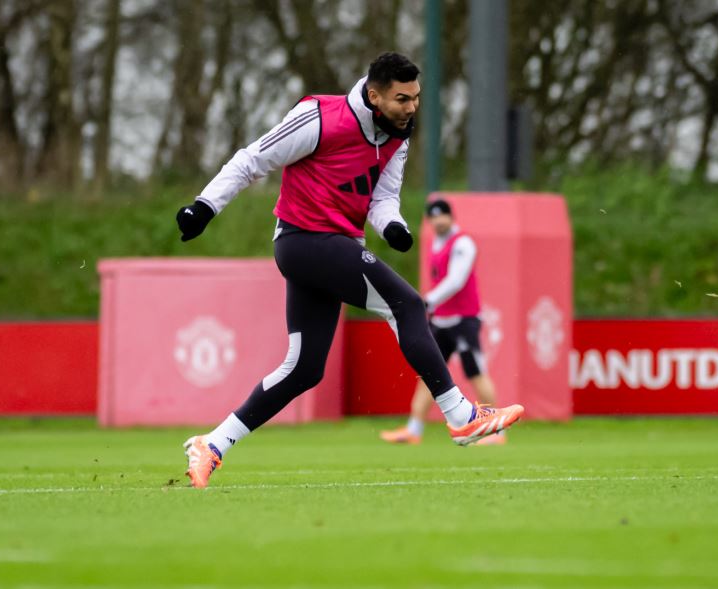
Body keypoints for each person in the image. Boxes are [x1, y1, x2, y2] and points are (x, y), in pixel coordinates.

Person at [176, 52, 524, 489]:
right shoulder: (319, 117)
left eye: (416, 98)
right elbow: (252, 160)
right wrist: (204, 207)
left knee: (304, 368)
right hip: (305, 242)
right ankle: (460, 415)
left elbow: (382, 199)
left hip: (330, 248)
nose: (412, 107)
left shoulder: (398, 134)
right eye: (402, 99)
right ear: (374, 95)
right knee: (408, 305)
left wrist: (392, 226)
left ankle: (213, 444)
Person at [380, 199, 505, 445]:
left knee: (476, 373)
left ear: (450, 216)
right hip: (442, 320)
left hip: (464, 320)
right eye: (433, 218)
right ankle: (413, 429)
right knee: (429, 373)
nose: (437, 222)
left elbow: (457, 280)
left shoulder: (463, 243)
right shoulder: (437, 243)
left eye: (441, 217)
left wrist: (429, 301)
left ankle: (497, 431)